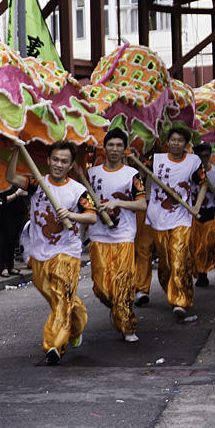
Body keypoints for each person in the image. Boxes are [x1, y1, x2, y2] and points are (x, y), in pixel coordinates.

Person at [5, 138, 97, 363]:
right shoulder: (38, 183)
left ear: (70, 165)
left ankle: (54, 345)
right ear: (48, 160)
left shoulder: (78, 190)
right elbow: (10, 178)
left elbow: (92, 216)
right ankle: (76, 326)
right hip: (40, 253)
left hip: (67, 252)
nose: (58, 164)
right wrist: (17, 151)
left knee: (61, 297)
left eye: (64, 161)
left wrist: (72, 215)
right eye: (55, 159)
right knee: (60, 299)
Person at [133, 125, 207, 322]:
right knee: (166, 261)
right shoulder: (156, 160)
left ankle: (181, 301)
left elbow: (203, 183)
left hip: (182, 216)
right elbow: (138, 178)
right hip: (157, 217)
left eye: (180, 141)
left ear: (186, 144)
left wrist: (196, 206)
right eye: (173, 140)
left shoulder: (193, 161)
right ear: (168, 142)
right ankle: (170, 290)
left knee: (179, 256)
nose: (175, 143)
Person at [86, 129, 147, 342]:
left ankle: (127, 326)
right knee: (101, 287)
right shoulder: (92, 174)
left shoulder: (132, 175)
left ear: (124, 149)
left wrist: (118, 202)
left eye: (119, 146)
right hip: (98, 236)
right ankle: (118, 309)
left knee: (123, 284)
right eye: (110, 145)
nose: (114, 149)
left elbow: (141, 204)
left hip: (123, 236)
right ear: (104, 147)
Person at [190, 143, 215, 287]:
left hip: (210, 212)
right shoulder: (190, 172)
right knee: (194, 246)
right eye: (200, 157)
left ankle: (203, 271)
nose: (203, 159)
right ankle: (198, 273)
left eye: (206, 156)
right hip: (192, 213)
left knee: (207, 244)